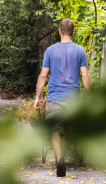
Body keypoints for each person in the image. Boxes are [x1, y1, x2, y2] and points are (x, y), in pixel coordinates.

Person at [34, 18, 91, 177]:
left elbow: (43, 75)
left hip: (54, 98)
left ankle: (59, 159)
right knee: (67, 130)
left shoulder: (50, 50)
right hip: (72, 99)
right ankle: (62, 158)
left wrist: (37, 97)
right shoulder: (80, 50)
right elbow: (85, 75)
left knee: (55, 131)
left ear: (60, 31)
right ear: (73, 32)